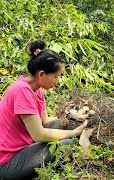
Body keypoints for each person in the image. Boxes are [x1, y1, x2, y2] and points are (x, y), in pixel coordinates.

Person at [0, 40, 88, 180]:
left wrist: (72, 119)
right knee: (67, 144)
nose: (57, 81)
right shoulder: (22, 90)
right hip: (6, 162)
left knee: (58, 123)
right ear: (41, 74)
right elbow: (39, 135)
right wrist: (74, 132)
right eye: (55, 77)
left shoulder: (36, 90)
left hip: (23, 147)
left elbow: (45, 121)